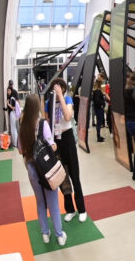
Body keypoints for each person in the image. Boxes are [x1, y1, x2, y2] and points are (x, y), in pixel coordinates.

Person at [18, 94, 67, 246]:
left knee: (40, 202)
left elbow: (20, 151)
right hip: (46, 170)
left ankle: (45, 233)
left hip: (32, 169)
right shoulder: (43, 124)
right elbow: (52, 146)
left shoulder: (22, 126)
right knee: (52, 201)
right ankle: (59, 235)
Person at [45, 78, 87, 223]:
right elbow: (47, 123)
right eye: (55, 88)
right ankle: (70, 209)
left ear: (63, 89)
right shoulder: (49, 103)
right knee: (62, 177)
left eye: (60, 87)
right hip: (56, 141)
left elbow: (68, 116)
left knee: (74, 174)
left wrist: (61, 97)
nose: (57, 90)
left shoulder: (67, 99)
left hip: (67, 138)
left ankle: (82, 209)